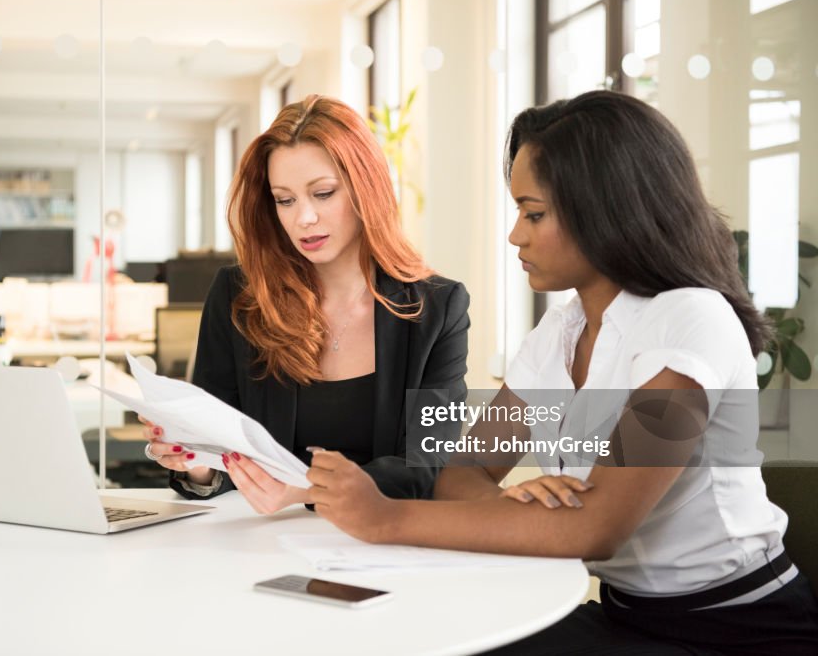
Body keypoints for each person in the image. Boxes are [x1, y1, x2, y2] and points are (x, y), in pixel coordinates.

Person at [305, 90, 818, 654]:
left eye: (534, 213)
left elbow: (597, 529)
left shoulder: (689, 319)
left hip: (739, 633)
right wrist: (517, 507)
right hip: (625, 617)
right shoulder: (561, 333)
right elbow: (466, 469)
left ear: (606, 209)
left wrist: (386, 518)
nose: (515, 235)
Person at [143, 94, 470, 514]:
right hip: (258, 549)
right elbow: (219, 455)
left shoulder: (438, 308)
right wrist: (195, 463)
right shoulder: (238, 297)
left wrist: (304, 491)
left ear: (365, 189)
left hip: (384, 549)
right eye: (285, 200)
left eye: (323, 193)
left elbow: (427, 465)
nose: (304, 219)